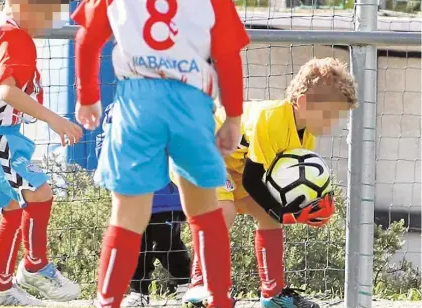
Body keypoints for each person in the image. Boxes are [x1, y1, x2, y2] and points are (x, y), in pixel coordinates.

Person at [72, 0, 250, 307]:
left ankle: (108, 301)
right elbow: (228, 57)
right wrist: (233, 118)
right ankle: (219, 298)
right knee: (206, 209)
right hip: (191, 103)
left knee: (127, 215)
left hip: (138, 102)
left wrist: (88, 96)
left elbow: (87, 39)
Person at [180, 57, 358, 308]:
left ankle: (272, 295)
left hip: (233, 166)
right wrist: (286, 213)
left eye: (337, 116)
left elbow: (274, 183)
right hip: (202, 149)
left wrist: (310, 206)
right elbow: (254, 180)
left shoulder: (305, 137)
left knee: (268, 218)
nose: (332, 123)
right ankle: (200, 286)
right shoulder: (272, 118)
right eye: (328, 114)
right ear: (304, 103)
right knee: (224, 210)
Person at [0, 0, 83, 305]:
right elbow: (7, 91)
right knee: (40, 193)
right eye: (50, 10)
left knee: (13, 209)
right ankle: (35, 266)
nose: (54, 20)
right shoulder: (15, 36)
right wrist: (54, 119)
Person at [96, 105, 191, 307]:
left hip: (168, 198)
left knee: (166, 242)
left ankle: (184, 283)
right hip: (133, 196)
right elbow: (105, 146)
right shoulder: (116, 110)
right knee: (137, 246)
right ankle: (138, 292)